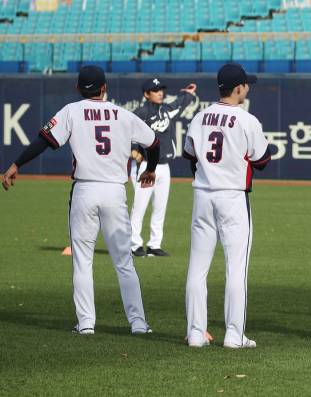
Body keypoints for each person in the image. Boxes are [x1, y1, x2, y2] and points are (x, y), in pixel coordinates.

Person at [1, 65, 159, 335]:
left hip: (85, 190)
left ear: (78, 88)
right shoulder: (122, 114)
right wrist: (151, 169)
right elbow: (154, 143)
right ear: (104, 88)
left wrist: (17, 164)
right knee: (123, 262)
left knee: (83, 260)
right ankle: (138, 324)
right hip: (114, 192)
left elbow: (43, 140)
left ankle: (86, 323)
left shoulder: (71, 111)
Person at [183, 63, 271, 348]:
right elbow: (262, 160)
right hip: (232, 198)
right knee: (236, 268)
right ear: (238, 88)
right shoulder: (247, 120)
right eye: (247, 84)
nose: (248, 88)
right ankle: (234, 335)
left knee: (197, 268)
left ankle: (196, 334)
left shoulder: (200, 117)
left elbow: (190, 155)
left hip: (203, 196)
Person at [129, 77, 197, 257]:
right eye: (155, 90)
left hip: (164, 167)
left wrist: (187, 93)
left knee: (160, 207)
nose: (160, 93)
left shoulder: (166, 111)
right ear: (146, 94)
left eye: (161, 90)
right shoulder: (141, 112)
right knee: (139, 207)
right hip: (145, 167)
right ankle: (134, 244)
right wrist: (133, 150)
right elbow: (128, 133)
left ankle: (154, 244)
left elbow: (179, 103)